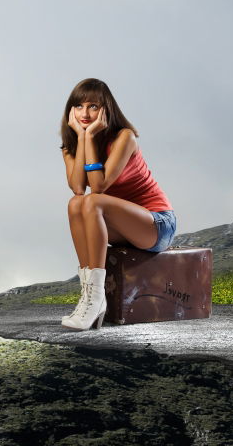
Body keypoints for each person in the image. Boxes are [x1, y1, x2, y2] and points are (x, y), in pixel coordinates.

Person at [58, 78, 176, 331]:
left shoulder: (125, 137)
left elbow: (99, 187)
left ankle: (96, 298)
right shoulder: (70, 147)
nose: (85, 113)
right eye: (79, 107)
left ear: (106, 109)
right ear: (70, 111)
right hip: (122, 227)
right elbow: (78, 187)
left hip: (156, 223)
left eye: (93, 106)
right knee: (76, 203)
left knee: (92, 202)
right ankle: (89, 296)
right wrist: (81, 139)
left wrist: (88, 136)